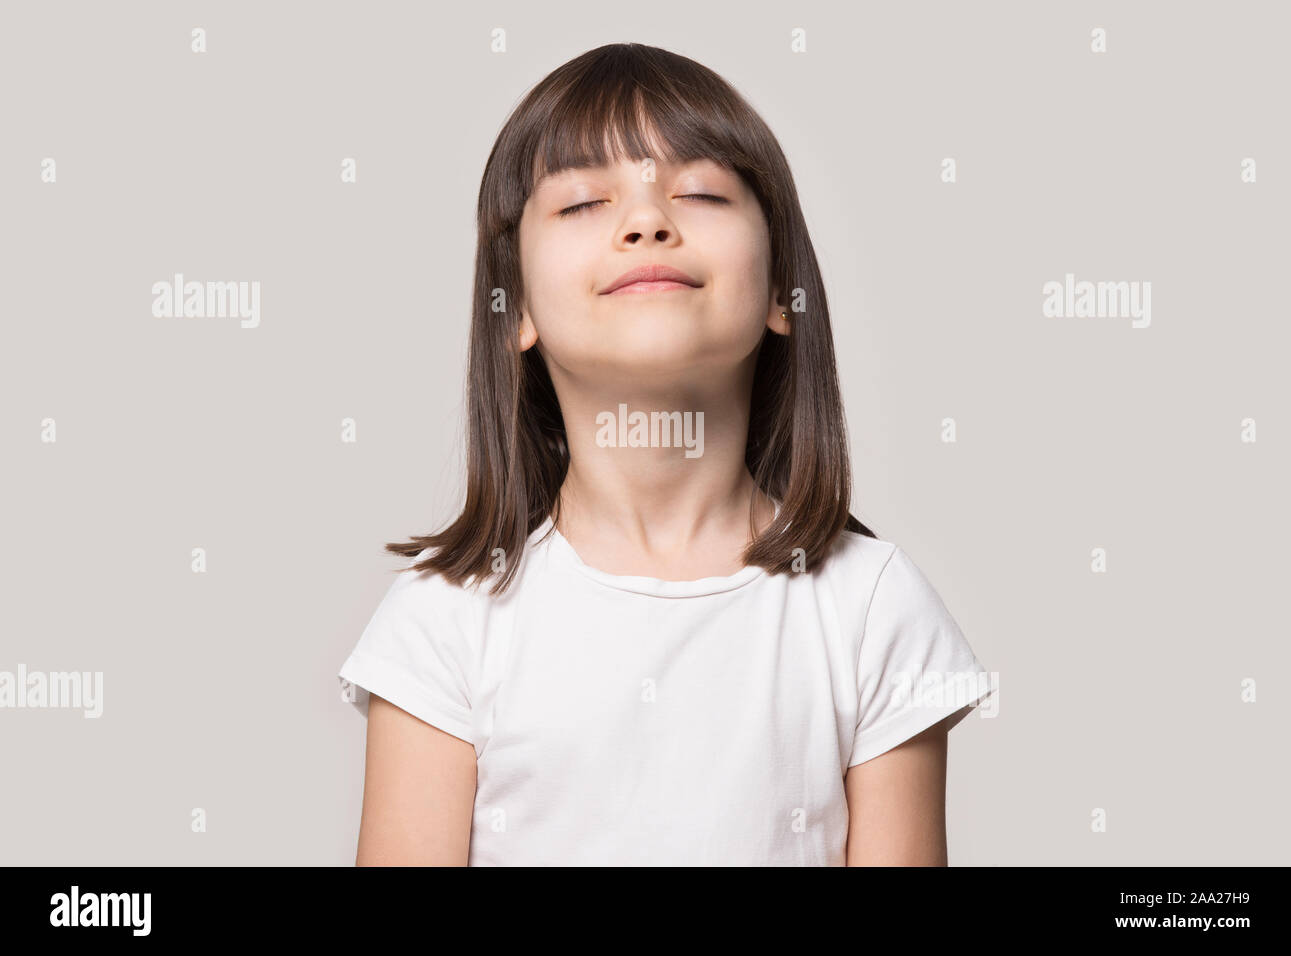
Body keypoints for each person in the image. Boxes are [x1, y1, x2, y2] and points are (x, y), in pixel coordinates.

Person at [338, 42, 994, 866]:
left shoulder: (872, 611)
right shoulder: (444, 620)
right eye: (581, 203)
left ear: (781, 291)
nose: (647, 221)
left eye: (700, 191)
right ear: (515, 311)